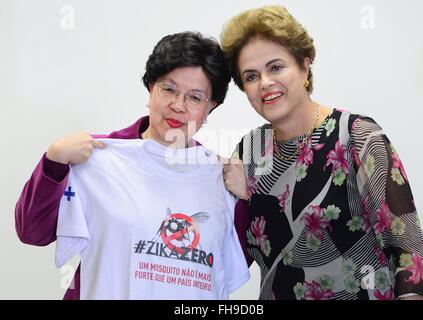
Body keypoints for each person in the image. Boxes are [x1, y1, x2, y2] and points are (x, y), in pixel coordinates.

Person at [15, 31, 249, 299]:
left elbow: (228, 268)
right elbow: (32, 232)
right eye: (169, 89)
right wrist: (53, 162)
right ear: (151, 88)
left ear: (211, 107)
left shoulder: (220, 177)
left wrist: (245, 199)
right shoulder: (96, 156)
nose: (178, 105)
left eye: (195, 97)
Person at [220, 5, 423, 300]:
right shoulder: (250, 150)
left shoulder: (357, 136)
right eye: (251, 76)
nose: (265, 83)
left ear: (304, 67)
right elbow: (233, 256)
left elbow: (411, 256)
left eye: (276, 67)